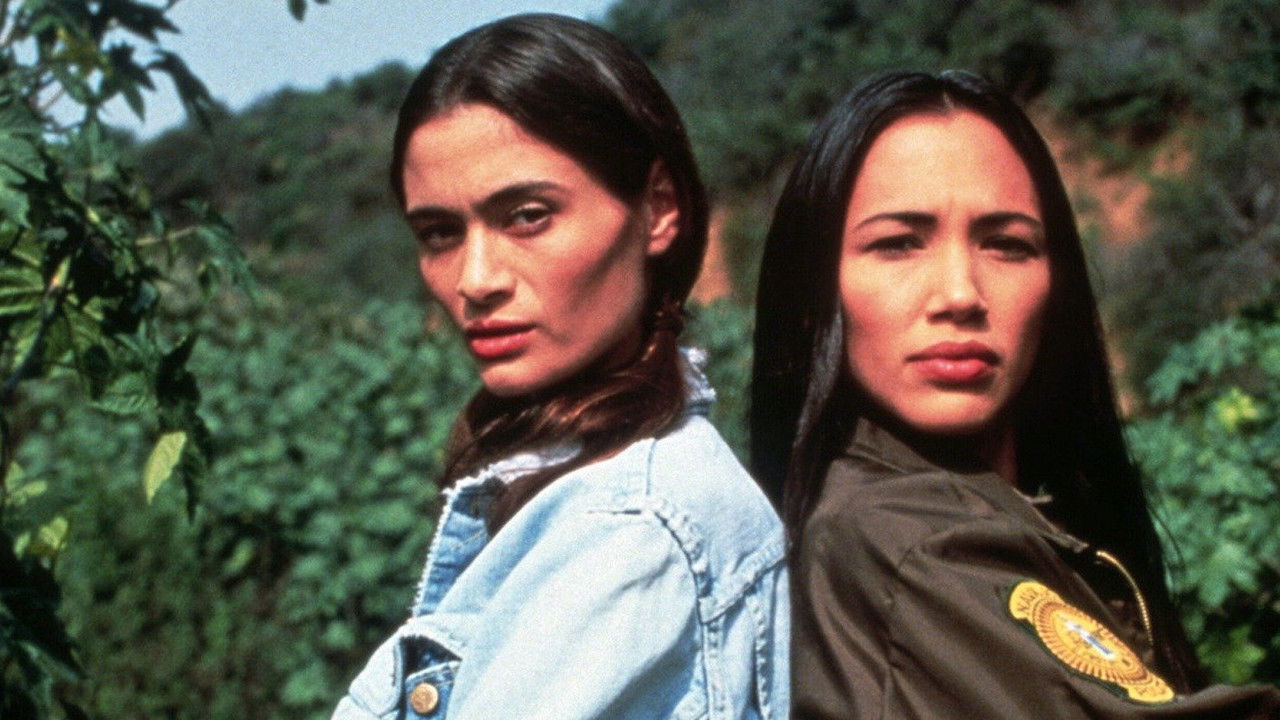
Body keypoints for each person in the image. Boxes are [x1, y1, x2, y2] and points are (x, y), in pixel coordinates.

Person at [751, 70, 1280, 719]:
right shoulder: (909, 543)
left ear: (1056, 285)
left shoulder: (1001, 515)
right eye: (897, 245)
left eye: (1007, 245)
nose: (960, 294)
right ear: (813, 291)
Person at [332, 14, 787, 720]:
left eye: (527, 216)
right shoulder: (590, 489)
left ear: (658, 207)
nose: (475, 280)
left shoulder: (632, 533)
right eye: (439, 233)